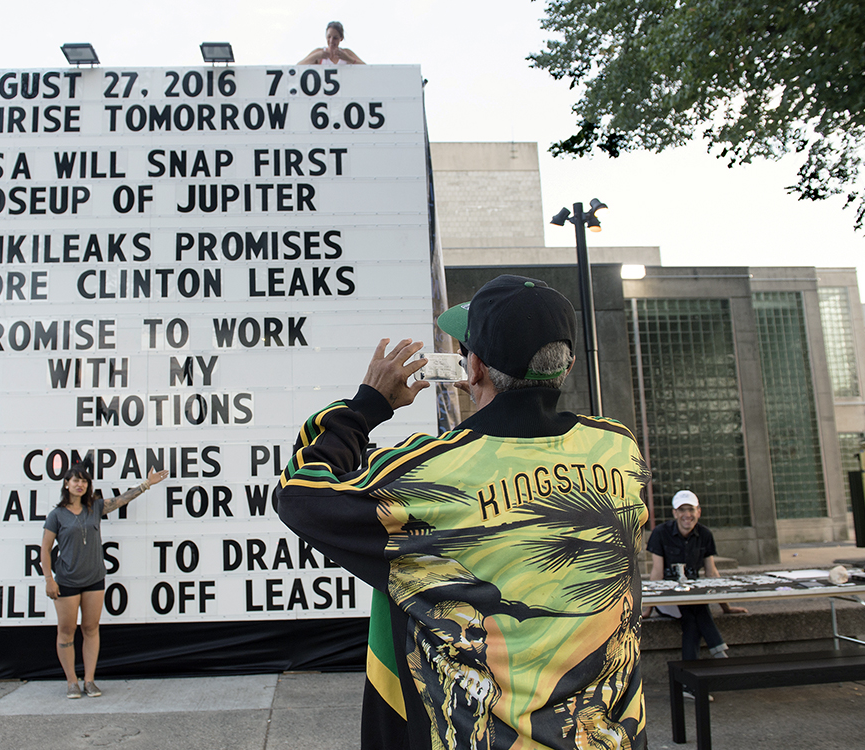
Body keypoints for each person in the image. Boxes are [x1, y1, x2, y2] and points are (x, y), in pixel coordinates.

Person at [277, 275, 650, 750]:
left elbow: (301, 494)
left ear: (473, 368)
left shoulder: (433, 471)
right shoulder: (618, 447)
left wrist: (367, 406)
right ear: (568, 365)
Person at [41, 463, 168, 699]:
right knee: (67, 631)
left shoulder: (95, 507)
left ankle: (89, 681)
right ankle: (71, 681)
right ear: (66, 485)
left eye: (84, 481)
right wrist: (49, 579)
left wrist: (147, 484)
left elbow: (121, 500)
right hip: (66, 580)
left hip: (94, 579)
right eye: (75, 480)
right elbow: (45, 549)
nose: (80, 485)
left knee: (91, 628)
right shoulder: (56, 515)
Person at [645, 490, 748, 663]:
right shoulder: (661, 533)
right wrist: (648, 607)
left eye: (691, 509)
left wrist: (726, 607)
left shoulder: (705, 534)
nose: (687, 515)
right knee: (694, 608)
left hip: (692, 597)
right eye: (682, 510)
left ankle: (690, 682)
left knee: (692, 617)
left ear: (698, 512)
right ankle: (719, 652)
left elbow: (712, 573)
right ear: (675, 513)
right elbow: (657, 572)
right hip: (668, 599)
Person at [299, 21, 366, 65]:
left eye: (335, 38)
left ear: (341, 38)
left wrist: (348, 59)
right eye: (329, 37)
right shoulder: (319, 52)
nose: (331, 41)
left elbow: (367, 68)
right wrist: (316, 56)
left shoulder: (347, 53)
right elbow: (297, 67)